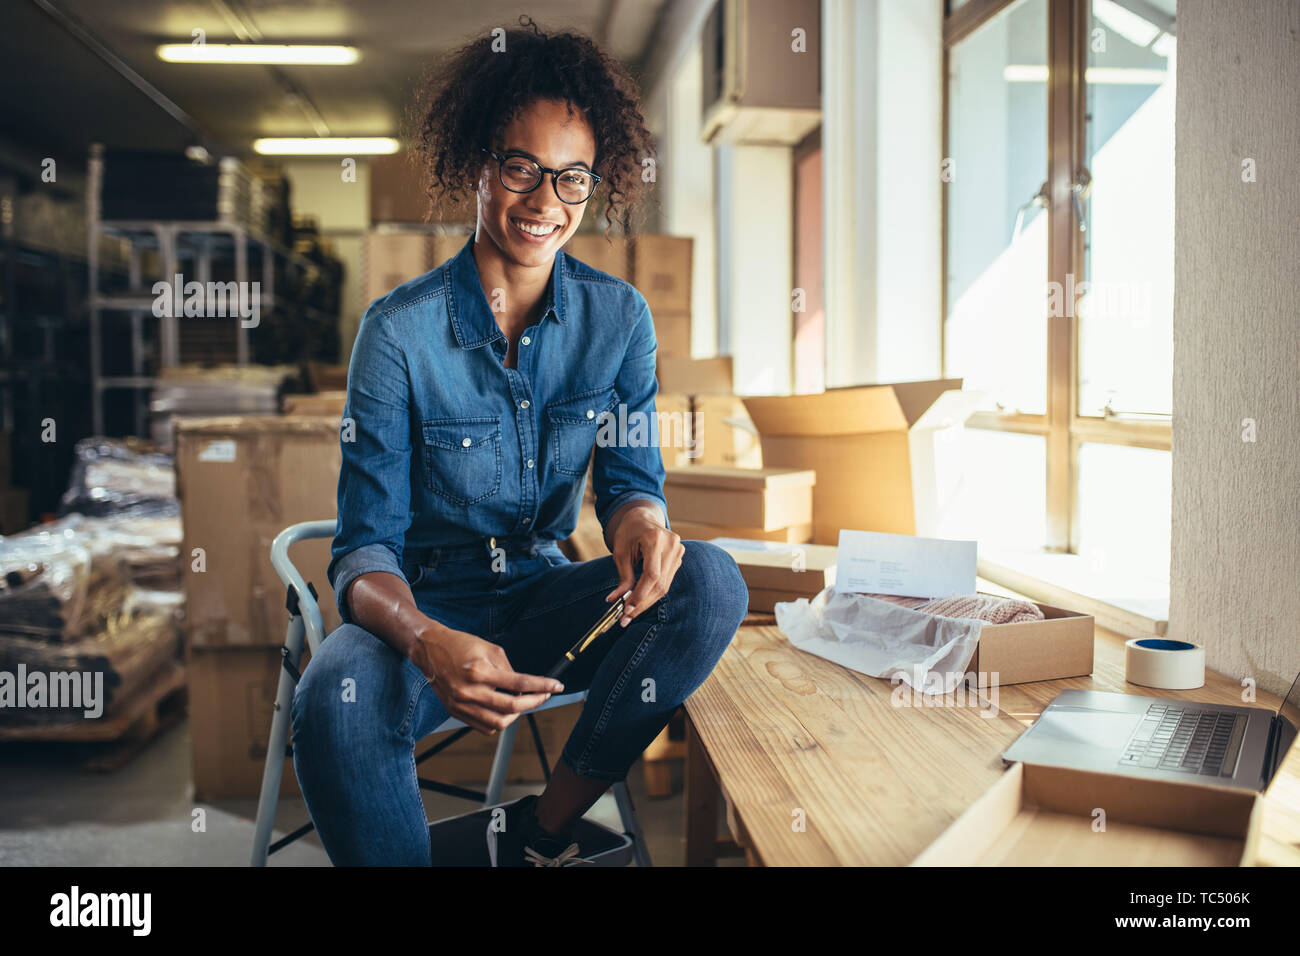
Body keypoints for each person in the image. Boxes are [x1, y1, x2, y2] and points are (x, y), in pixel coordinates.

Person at [289, 16, 749, 867]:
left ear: (596, 183)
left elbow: (630, 481)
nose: (545, 203)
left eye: (572, 178)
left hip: (542, 597)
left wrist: (642, 526)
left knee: (711, 583)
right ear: (475, 165)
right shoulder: (398, 334)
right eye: (520, 168)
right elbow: (362, 554)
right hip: (425, 605)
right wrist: (427, 639)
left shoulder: (620, 320)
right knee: (336, 697)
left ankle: (542, 835)